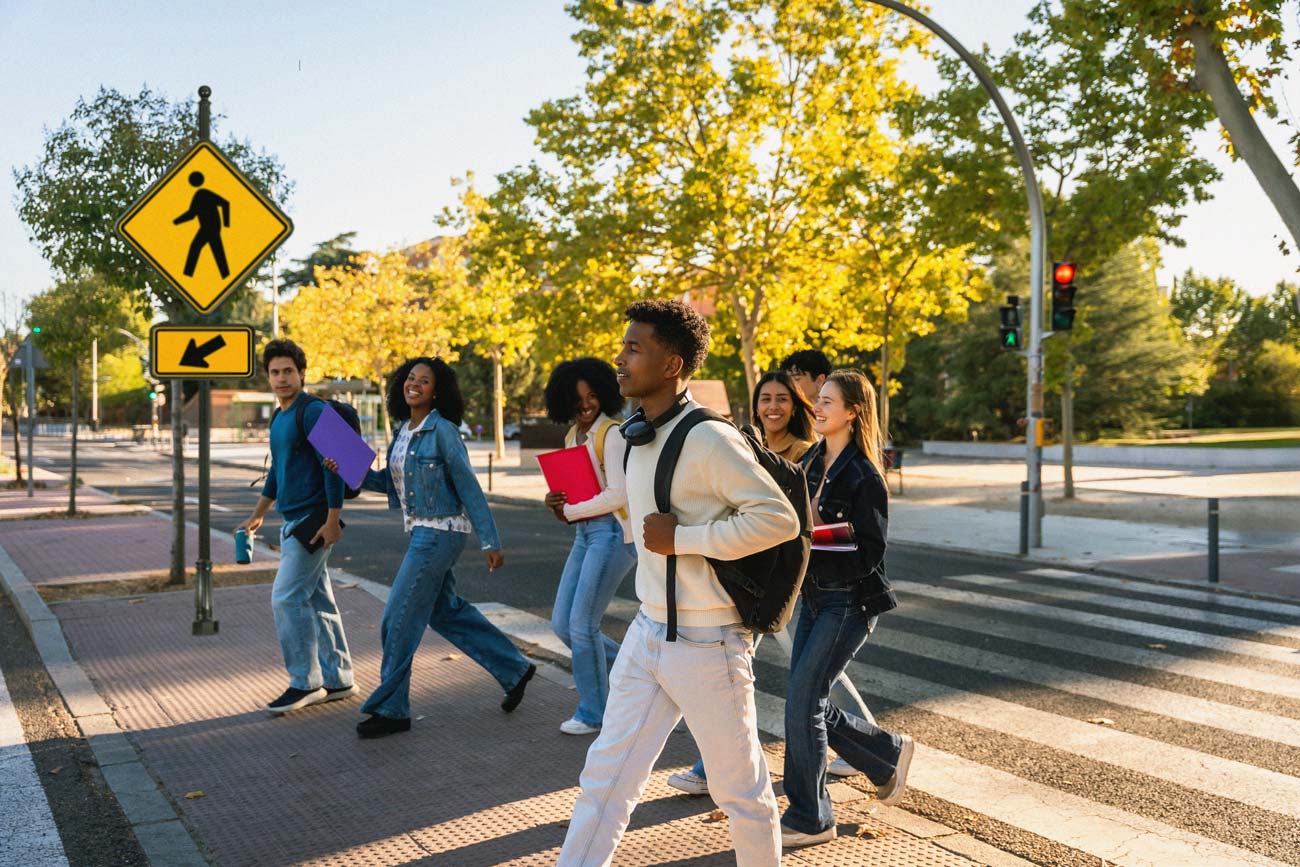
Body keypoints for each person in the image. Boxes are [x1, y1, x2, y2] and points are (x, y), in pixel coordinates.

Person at [557, 300, 799, 867]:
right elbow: (629, 505)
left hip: (708, 642)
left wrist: (685, 538)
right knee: (604, 782)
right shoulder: (637, 434)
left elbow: (778, 519)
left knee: (740, 794)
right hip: (647, 634)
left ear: (672, 364)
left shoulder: (710, 438)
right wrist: (573, 509)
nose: (619, 358)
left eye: (633, 348)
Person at [325, 357, 535, 739]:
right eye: (410, 378)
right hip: (422, 530)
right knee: (446, 612)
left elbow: (468, 486)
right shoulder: (403, 431)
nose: (415, 384)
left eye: (424, 380)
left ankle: (392, 709)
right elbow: (388, 485)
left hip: (441, 532)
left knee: (397, 618)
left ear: (436, 391)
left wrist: (491, 540)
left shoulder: (443, 431)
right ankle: (514, 669)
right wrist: (343, 466)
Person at [666, 368, 818, 796]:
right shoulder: (743, 444)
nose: (773, 406)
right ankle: (870, 746)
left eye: (782, 399)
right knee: (796, 671)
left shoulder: (806, 453)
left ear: (796, 406)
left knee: (777, 672)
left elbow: (801, 519)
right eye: (765, 398)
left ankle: (711, 769)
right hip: (747, 572)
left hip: (785, 573)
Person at [780, 369, 913, 849]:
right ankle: (884, 755)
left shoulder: (863, 473)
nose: (817, 407)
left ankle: (810, 817)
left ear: (854, 412)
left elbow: (871, 550)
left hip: (850, 600)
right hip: (815, 595)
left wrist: (818, 539)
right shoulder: (812, 461)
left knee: (803, 700)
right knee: (804, 699)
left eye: (828, 402)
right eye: (818, 401)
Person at [237, 339, 355, 715]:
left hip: (314, 522)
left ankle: (305, 682)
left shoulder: (313, 410)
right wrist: (259, 513)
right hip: (294, 520)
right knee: (319, 600)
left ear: (302, 373)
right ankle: (339, 678)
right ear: (267, 377)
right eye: (275, 372)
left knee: (286, 598)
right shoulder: (280, 416)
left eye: (289, 371)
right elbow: (277, 471)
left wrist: (333, 521)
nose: (282, 378)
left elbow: (334, 465)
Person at [542, 358, 637, 736]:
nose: (585, 405)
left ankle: (593, 711)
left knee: (582, 625)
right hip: (584, 533)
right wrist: (556, 503)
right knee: (563, 625)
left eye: (593, 396)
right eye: (577, 398)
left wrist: (573, 508)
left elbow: (618, 493)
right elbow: (576, 492)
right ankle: (633, 673)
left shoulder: (611, 434)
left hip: (612, 534)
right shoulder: (572, 437)